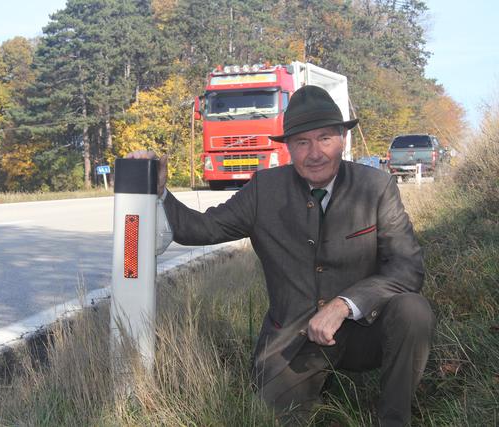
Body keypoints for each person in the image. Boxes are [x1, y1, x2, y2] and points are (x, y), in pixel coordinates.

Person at [127, 85, 434, 426]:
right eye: (302, 142)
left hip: (366, 329)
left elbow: (407, 268)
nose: (314, 153)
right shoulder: (263, 189)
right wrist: (159, 192)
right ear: (288, 147)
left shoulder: (376, 187)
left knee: (413, 310)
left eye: (325, 139)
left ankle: (393, 419)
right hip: (293, 341)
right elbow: (201, 229)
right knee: (272, 417)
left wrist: (344, 304)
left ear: (342, 140)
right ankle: (316, 383)